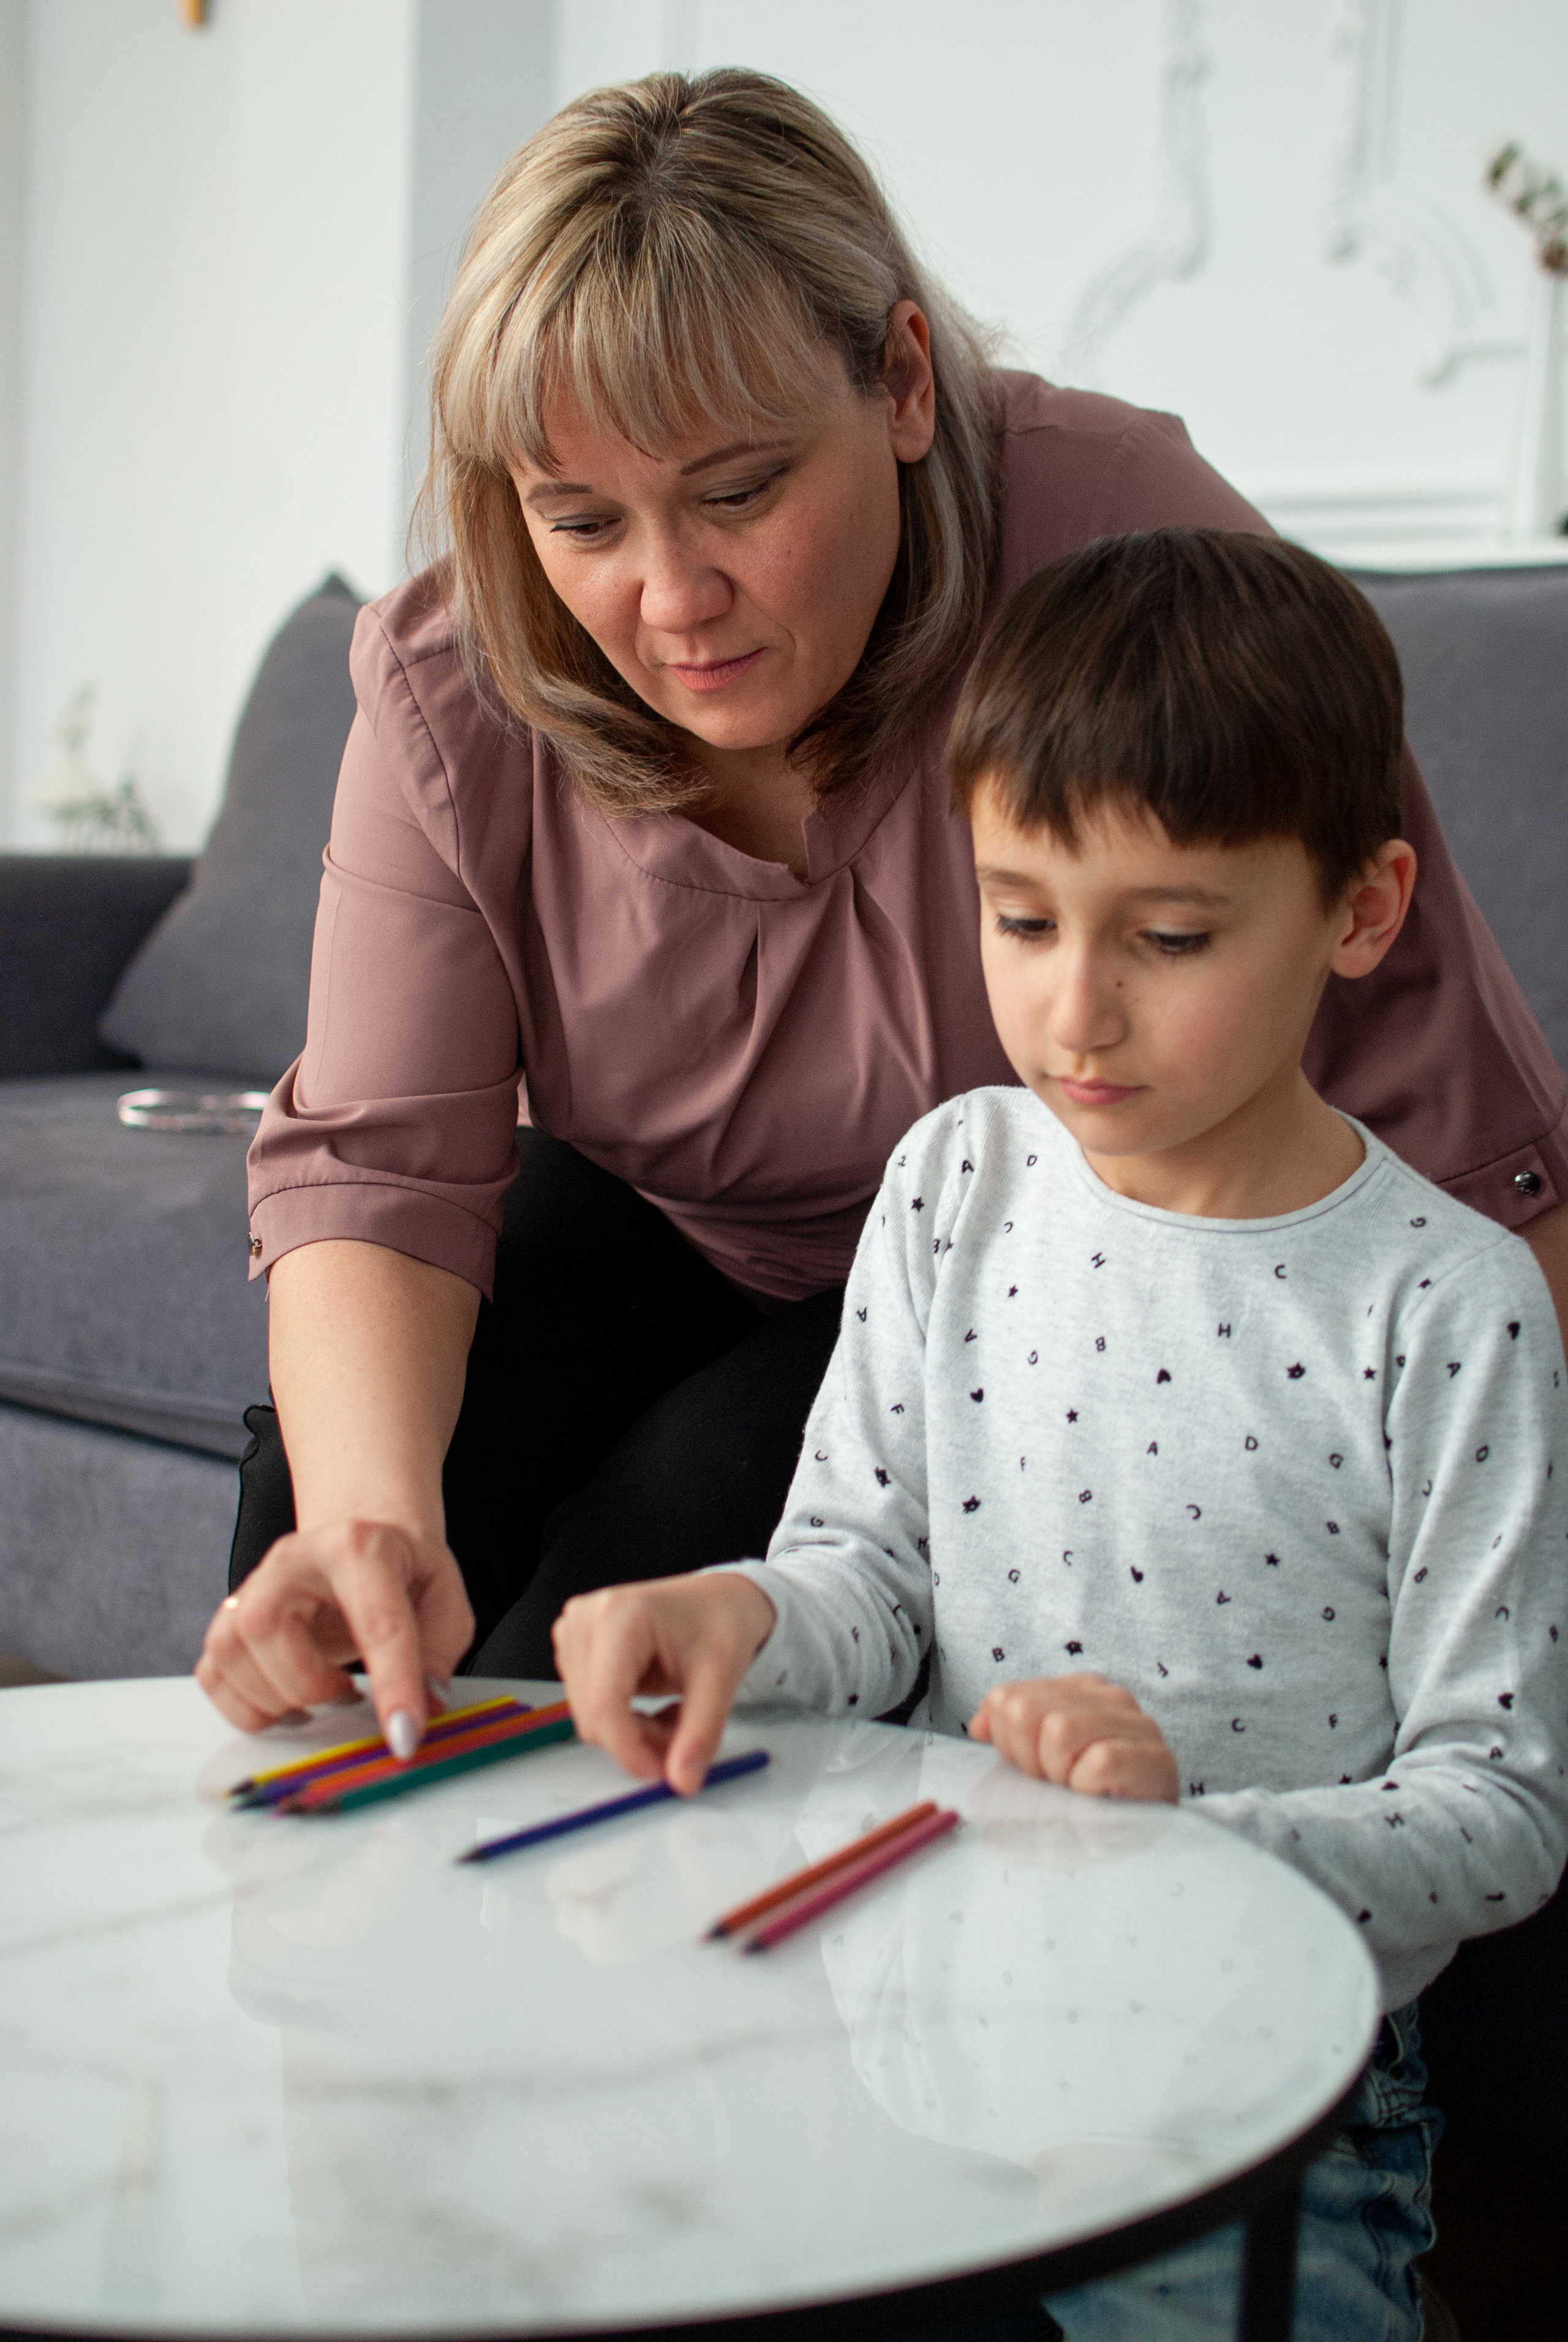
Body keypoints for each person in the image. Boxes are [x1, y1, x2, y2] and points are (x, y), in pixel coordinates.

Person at [197, 69, 1568, 1761]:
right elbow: (385, 1167)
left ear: (906, 383)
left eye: (743, 490)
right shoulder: (454, 674)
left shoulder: (1119, 543)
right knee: (334, 1511)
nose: (672, 598)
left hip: (1046, 1284)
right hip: (678, 1245)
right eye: (583, 520)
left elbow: (1462, 1147)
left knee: (693, 1511)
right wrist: (372, 1528)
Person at [553, 529, 1568, 2342]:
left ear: (1361, 908)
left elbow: (1501, 1814)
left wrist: (1193, 1844)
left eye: (1169, 938)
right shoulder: (959, 1179)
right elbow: (865, 1582)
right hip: (918, 2055)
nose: (1073, 1011)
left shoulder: (1449, 1303)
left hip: (1262, 2111)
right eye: (1020, 916)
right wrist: (739, 1622)